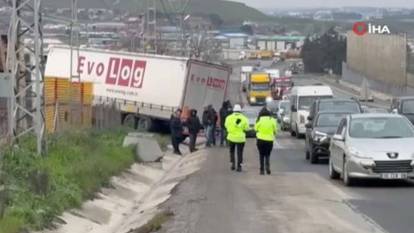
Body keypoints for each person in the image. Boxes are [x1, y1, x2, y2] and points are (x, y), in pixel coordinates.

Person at [225, 104, 249, 172]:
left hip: (231, 137)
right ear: (240, 111)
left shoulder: (228, 118)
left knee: (232, 151)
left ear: (233, 110)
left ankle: (232, 164)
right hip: (240, 138)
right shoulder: (244, 118)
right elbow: (247, 128)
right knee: (240, 152)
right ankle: (239, 166)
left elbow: (226, 126)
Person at [255, 108, 278, 175]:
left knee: (261, 155)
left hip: (260, 140)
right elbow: (275, 130)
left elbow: (255, 129)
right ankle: (267, 168)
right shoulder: (272, 120)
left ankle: (262, 170)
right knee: (267, 155)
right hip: (269, 140)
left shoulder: (259, 120)